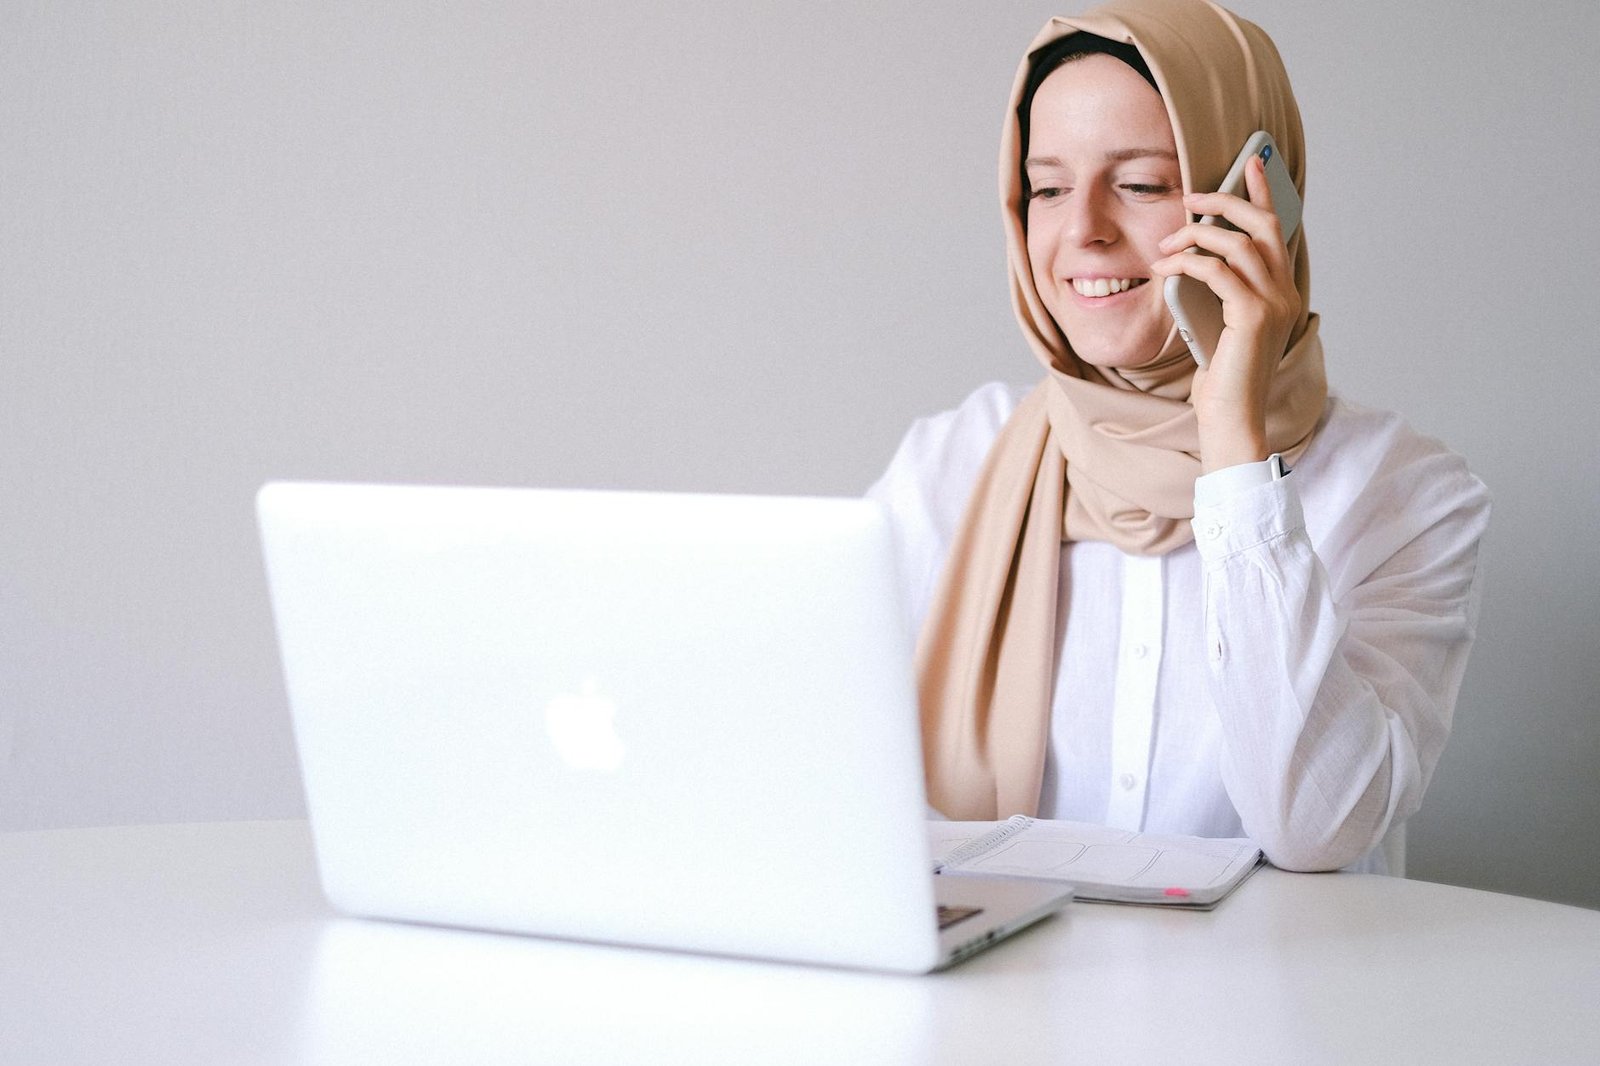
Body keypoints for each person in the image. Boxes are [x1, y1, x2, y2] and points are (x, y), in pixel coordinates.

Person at [868, 0, 1490, 873]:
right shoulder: (949, 463)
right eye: (1046, 187)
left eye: (1143, 183)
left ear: (1256, 200)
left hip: (1280, 1008)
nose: (1082, 226)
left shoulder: (1407, 494)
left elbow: (1318, 829)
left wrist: (1233, 440)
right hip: (999, 1006)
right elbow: (810, 762)